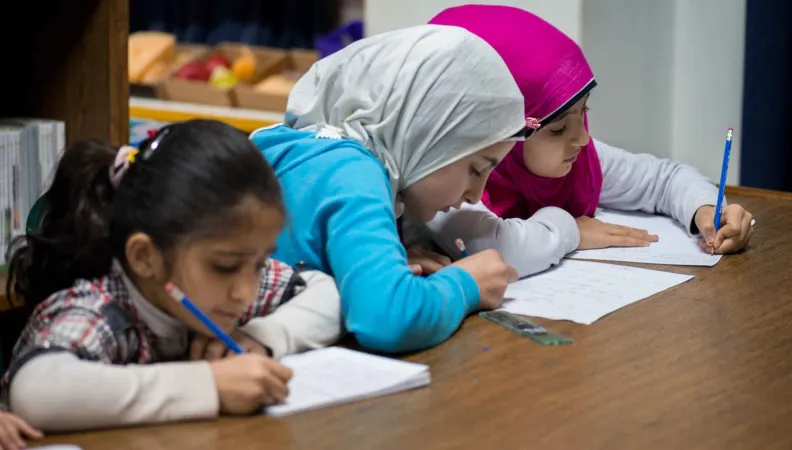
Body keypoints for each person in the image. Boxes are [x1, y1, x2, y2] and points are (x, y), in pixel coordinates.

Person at [1, 120, 341, 432]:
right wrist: (211, 384)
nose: (246, 292)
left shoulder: (217, 287)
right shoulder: (102, 308)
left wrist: (262, 338)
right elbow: (36, 391)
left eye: (259, 263)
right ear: (145, 258)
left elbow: (325, 292)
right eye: (225, 267)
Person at [250, 25, 523, 353]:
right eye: (476, 169)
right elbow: (385, 321)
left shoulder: (303, 147)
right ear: (426, 134)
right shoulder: (354, 172)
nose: (476, 195)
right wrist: (466, 285)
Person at [426, 5, 755, 277]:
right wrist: (571, 231)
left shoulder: (580, 160)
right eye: (558, 128)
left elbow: (665, 179)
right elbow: (495, 251)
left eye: (584, 113)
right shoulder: (446, 181)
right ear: (499, 131)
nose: (582, 139)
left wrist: (708, 211)